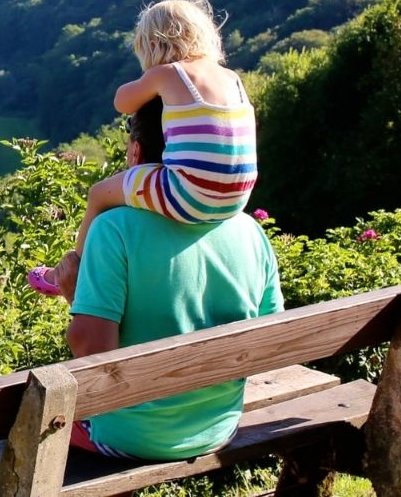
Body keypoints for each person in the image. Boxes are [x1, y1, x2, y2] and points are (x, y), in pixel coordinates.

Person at [59, 97, 283, 459]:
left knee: (30, 418)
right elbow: (270, 335)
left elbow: (92, 351)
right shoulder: (249, 231)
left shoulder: (113, 229)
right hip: (218, 427)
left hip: (124, 435)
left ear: (135, 154)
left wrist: (75, 294)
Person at [30, 0, 257, 300]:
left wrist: (148, 81)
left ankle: (69, 273)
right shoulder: (233, 79)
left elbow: (122, 101)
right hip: (236, 199)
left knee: (99, 194)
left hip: (187, 193)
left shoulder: (168, 74)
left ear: (153, 44)